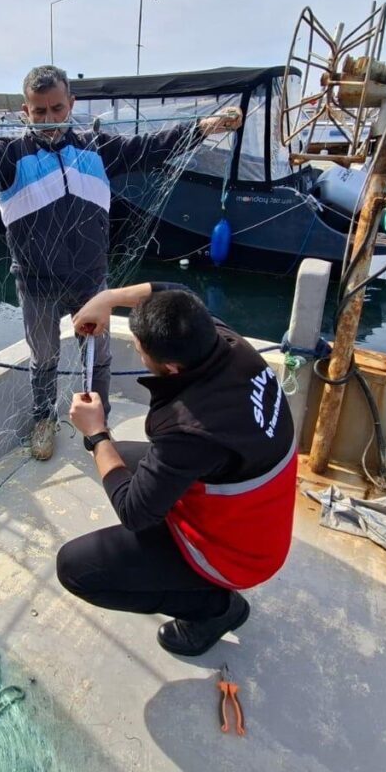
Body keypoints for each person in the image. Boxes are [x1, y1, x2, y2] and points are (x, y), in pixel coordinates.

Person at [0, 64, 240, 461]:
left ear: (71, 104)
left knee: (100, 358)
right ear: (26, 112)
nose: (49, 120)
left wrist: (205, 127)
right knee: (43, 358)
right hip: (35, 282)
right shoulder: (8, 158)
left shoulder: (97, 149)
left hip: (91, 282)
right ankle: (44, 419)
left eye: (57, 109)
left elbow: (152, 145)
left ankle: (100, 422)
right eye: (39, 112)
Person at [61, 281, 297, 656]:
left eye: (139, 350)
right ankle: (184, 557)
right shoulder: (220, 340)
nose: (137, 352)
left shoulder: (191, 428)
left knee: (76, 568)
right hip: (257, 510)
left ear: (170, 368)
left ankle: (216, 609)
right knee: (119, 458)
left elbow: (133, 512)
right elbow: (173, 290)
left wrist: (96, 434)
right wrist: (106, 300)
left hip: (240, 554)